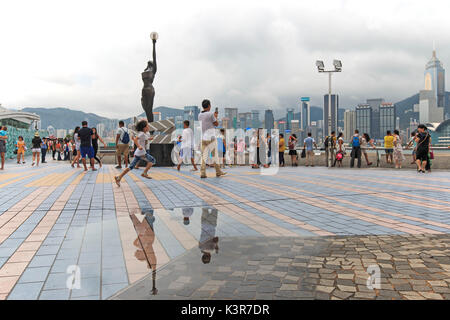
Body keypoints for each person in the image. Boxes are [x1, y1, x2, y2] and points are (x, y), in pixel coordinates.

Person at [115, 119, 156, 186]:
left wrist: (149, 139)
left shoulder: (143, 134)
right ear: (144, 128)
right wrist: (139, 146)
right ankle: (144, 173)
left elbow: (142, 138)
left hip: (138, 153)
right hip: (141, 152)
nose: (148, 127)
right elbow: (136, 140)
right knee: (153, 160)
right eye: (147, 126)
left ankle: (118, 177)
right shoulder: (142, 134)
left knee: (131, 167)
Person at [198, 99, 226, 179]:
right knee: (215, 156)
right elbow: (216, 124)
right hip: (211, 138)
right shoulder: (210, 114)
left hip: (203, 138)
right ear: (209, 106)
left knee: (204, 156)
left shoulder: (199, 115)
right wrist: (215, 117)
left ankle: (203, 173)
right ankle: (218, 172)